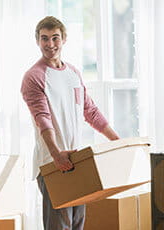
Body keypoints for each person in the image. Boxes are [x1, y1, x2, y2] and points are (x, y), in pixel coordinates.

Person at [21, 16, 120, 230]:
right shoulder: (34, 77)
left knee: (77, 225)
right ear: (37, 41)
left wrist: (117, 141)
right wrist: (56, 155)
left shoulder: (73, 73)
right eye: (44, 38)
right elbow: (42, 120)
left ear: (64, 39)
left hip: (76, 160)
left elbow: (90, 111)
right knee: (59, 227)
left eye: (55, 38)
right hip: (52, 163)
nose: (50, 44)